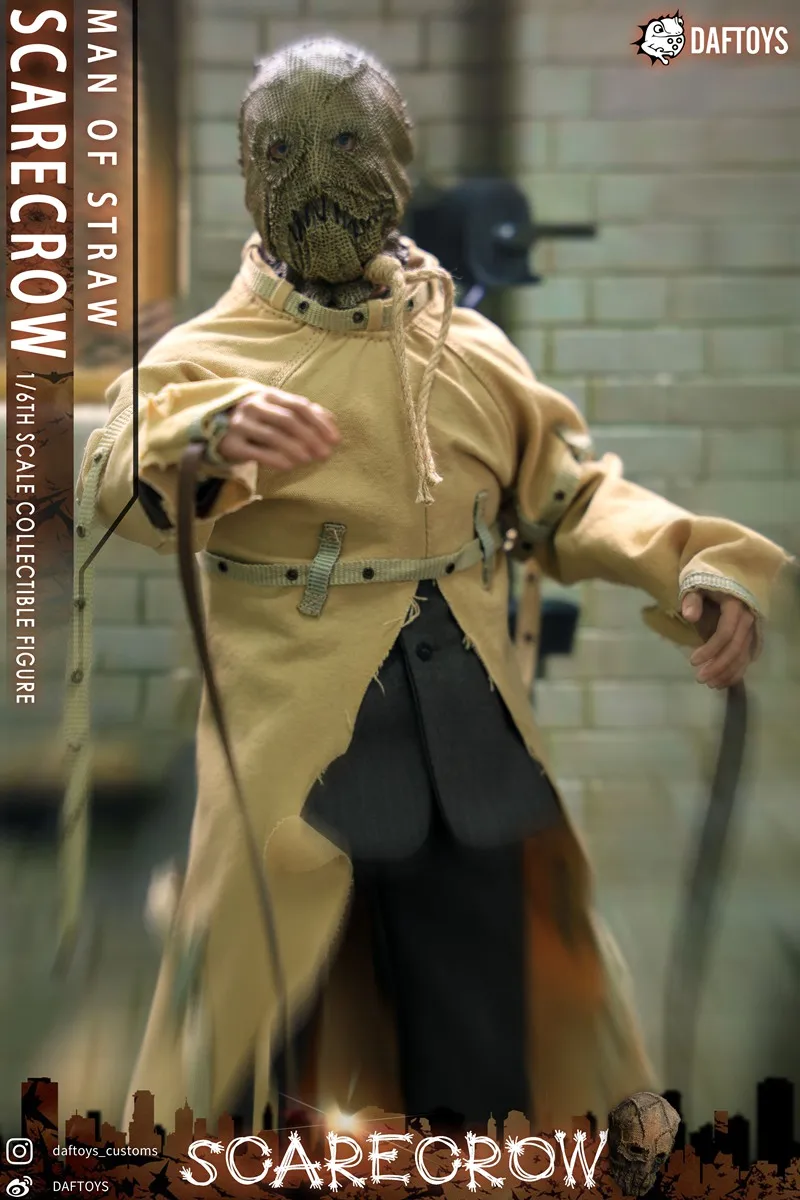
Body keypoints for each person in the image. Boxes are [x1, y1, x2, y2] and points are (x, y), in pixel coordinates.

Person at [74, 37, 789, 1135]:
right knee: (255, 1077)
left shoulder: (470, 351)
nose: (314, 175)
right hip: (296, 776)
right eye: (282, 150)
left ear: (398, 161)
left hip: (473, 769)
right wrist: (203, 436)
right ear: (247, 172)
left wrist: (692, 558)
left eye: (344, 141)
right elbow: (114, 470)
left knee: (488, 1079)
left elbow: (569, 494)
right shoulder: (202, 360)